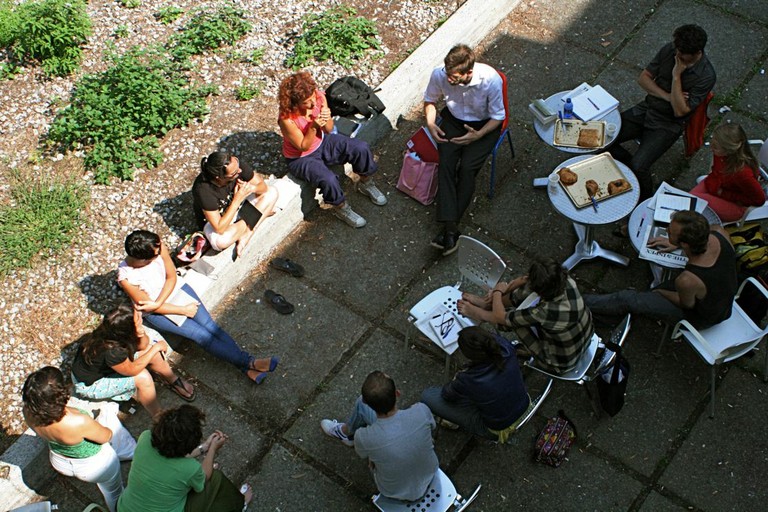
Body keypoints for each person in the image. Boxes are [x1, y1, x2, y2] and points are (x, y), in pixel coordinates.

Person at [117, 229, 279, 384]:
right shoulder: (126, 277)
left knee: (212, 327)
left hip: (176, 291)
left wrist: (158, 301)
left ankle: (246, 368)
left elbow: (171, 277)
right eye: (155, 256)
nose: (160, 253)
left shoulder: (156, 245)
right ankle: (250, 362)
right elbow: (150, 308)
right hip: (159, 313)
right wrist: (181, 310)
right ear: (142, 260)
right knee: (202, 336)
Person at [609, 24, 716, 202]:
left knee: (639, 166)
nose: (677, 55)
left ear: (697, 52)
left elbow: (680, 111)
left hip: (668, 124)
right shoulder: (671, 50)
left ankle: (644, 200)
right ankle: (626, 166)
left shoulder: (706, 76)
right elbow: (643, 79)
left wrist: (676, 76)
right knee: (604, 138)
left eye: (682, 53)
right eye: (677, 49)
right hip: (647, 108)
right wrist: (669, 96)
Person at [585, 210, 737, 329]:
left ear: (685, 244)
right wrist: (675, 243)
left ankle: (581, 303)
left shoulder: (687, 280)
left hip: (701, 316)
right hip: (720, 297)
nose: (666, 230)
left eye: (670, 233)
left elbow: (686, 304)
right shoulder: (719, 232)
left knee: (627, 299)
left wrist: (660, 292)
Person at [424, 44, 505, 255]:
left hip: (484, 126)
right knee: (446, 164)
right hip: (454, 120)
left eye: (454, 76)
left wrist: (478, 135)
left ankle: (448, 230)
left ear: (468, 72)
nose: (448, 79)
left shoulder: (490, 80)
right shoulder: (440, 74)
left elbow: (498, 116)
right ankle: (451, 230)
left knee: (467, 168)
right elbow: (430, 100)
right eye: (447, 73)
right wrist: (431, 123)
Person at [278, 71, 387, 228]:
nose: (313, 104)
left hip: (322, 141)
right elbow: (303, 146)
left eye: (313, 98)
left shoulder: (318, 97)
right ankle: (341, 208)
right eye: (307, 102)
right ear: (294, 103)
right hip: (301, 157)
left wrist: (326, 116)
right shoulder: (287, 119)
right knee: (328, 179)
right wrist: (313, 127)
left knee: (360, 148)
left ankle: (366, 183)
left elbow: (329, 130)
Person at [22, 367, 136, 512]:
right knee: (113, 492)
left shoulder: (28, 412)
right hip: (95, 466)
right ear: (60, 393)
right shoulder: (77, 420)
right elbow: (106, 436)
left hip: (60, 461)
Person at [458, 258, 594, 374]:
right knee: (525, 291)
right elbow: (524, 279)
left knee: (514, 321)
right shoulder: (565, 279)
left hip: (559, 362)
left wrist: (498, 292)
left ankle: (479, 314)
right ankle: (486, 305)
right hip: (586, 335)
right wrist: (504, 291)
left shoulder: (544, 312)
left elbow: (501, 317)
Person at [320, 371, 439, 501]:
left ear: (367, 403)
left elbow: (363, 455)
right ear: (397, 393)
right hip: (430, 472)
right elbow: (432, 427)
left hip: (392, 490)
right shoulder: (421, 410)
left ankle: (346, 433)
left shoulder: (362, 437)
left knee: (373, 454)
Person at [117, 405, 252, 512]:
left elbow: (173, 453)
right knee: (216, 478)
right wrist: (212, 449)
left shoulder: (145, 437)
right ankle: (240, 504)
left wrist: (204, 447)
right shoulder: (190, 469)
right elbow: (204, 477)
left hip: (124, 508)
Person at [71, 304, 195, 417]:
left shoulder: (113, 330)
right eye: (137, 319)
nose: (141, 318)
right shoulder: (113, 350)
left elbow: (143, 345)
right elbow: (132, 370)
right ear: (129, 331)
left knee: (152, 352)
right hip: (90, 384)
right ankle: (159, 416)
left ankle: (172, 379)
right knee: (143, 377)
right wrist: (155, 348)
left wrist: (141, 333)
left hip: (110, 366)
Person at [420, 327, 531, 443]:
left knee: (427, 395)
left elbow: (447, 395)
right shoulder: (507, 348)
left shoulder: (468, 379)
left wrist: (457, 378)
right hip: (524, 404)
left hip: (500, 427)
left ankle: (453, 423)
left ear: (469, 356)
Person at [192, 150, 278, 258]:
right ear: (219, 177)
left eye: (238, 167)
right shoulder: (203, 190)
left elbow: (263, 187)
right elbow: (219, 228)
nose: (240, 171)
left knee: (272, 192)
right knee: (220, 242)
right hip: (220, 221)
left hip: (240, 208)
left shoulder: (234, 164)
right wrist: (237, 199)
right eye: (234, 173)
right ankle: (257, 216)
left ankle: (248, 232)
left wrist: (251, 188)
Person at [690, 123, 764, 222]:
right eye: (712, 141)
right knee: (688, 200)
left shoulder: (742, 174)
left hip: (735, 205)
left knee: (693, 203)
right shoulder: (720, 154)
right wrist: (714, 185)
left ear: (729, 151)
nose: (711, 147)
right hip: (717, 184)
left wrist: (723, 193)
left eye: (715, 146)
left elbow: (759, 200)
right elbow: (716, 171)